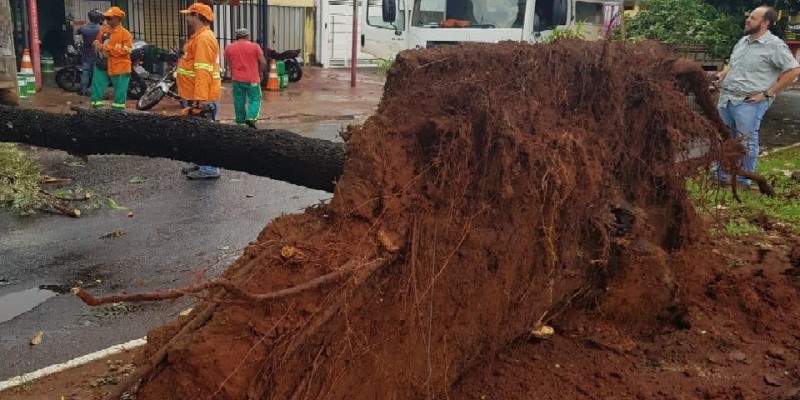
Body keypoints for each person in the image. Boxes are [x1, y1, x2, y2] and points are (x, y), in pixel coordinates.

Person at [713, 6, 800, 186]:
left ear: (765, 22)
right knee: (723, 137)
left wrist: (767, 94)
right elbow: (733, 64)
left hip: (749, 102)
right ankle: (721, 175)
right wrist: (722, 75)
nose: (748, 20)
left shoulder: (774, 45)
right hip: (727, 98)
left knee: (747, 142)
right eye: (748, 16)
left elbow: (793, 70)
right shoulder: (743, 41)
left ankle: (744, 179)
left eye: (753, 18)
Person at [177, 3, 223, 180]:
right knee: (197, 134)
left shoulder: (203, 39)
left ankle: (209, 169)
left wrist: (200, 99)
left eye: (189, 15)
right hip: (195, 95)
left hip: (202, 97)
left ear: (196, 16)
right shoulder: (200, 37)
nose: (186, 17)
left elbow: (202, 70)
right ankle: (202, 164)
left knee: (205, 135)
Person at [90, 7, 133, 111]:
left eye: (109, 18)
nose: (106, 20)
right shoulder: (103, 30)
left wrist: (105, 48)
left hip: (120, 67)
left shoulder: (125, 34)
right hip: (103, 64)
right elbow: (97, 42)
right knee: (97, 87)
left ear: (118, 19)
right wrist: (95, 43)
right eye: (105, 18)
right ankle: (96, 109)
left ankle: (117, 113)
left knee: (120, 91)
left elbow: (126, 51)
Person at [224, 28, 266, 129]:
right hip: (252, 79)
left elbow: (228, 64)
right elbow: (263, 62)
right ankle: (251, 117)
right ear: (247, 36)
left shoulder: (228, 48)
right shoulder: (255, 46)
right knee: (255, 99)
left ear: (236, 37)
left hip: (237, 79)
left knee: (238, 100)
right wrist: (259, 72)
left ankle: (241, 122)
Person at [77, 9, 103, 96]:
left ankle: (83, 90)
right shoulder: (101, 29)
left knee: (85, 72)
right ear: (99, 18)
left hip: (86, 54)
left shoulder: (84, 28)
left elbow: (78, 32)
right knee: (97, 73)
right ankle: (93, 91)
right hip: (98, 54)